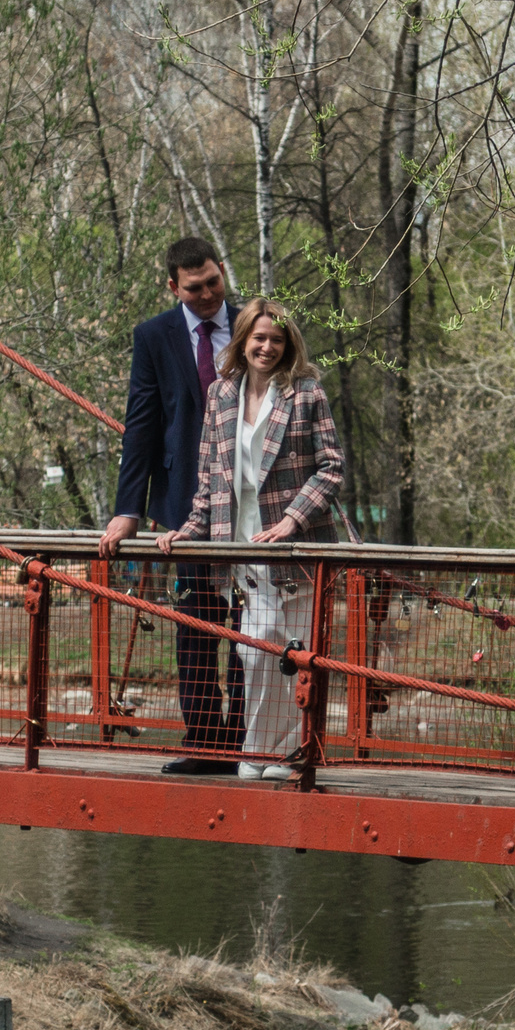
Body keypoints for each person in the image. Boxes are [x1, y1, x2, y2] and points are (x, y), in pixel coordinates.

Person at [161, 297, 344, 779]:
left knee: (295, 651)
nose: (267, 347)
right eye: (259, 338)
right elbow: (210, 479)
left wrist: (293, 520)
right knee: (256, 647)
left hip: (297, 547)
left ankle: (279, 754)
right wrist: (189, 531)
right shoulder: (222, 395)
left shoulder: (306, 393)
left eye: (277, 340)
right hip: (242, 544)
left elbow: (331, 467)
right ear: (242, 340)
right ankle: (265, 752)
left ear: (289, 346)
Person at [103, 238, 242, 774]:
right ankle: (206, 743)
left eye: (213, 282)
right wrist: (128, 508)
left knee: (254, 623)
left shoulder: (256, 322)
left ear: (221, 272)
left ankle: (248, 739)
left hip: (252, 502)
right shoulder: (154, 337)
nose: (207, 295)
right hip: (185, 501)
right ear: (173, 287)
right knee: (197, 621)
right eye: (194, 287)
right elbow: (141, 424)